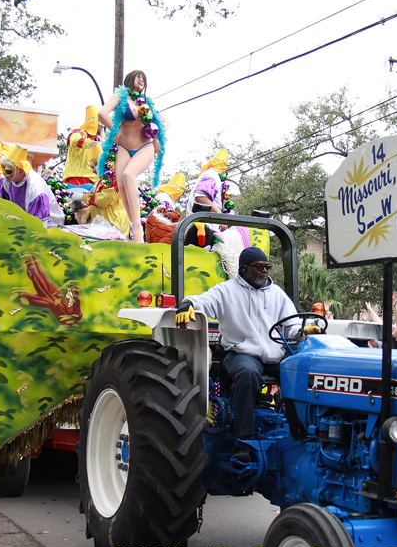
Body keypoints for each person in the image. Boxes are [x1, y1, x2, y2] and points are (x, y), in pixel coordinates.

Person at [175, 246, 299, 463]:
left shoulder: (277, 294)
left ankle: (296, 430)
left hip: (273, 352)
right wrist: (189, 304)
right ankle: (243, 439)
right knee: (247, 373)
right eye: (259, 267)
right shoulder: (227, 291)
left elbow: (292, 325)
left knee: (298, 371)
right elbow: (205, 301)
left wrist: (305, 331)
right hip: (240, 352)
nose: (264, 271)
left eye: (266, 267)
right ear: (244, 269)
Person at [98, 70, 169, 244]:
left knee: (128, 174)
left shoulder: (147, 103)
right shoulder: (120, 97)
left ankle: (137, 229)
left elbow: (165, 122)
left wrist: (156, 136)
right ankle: (134, 227)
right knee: (121, 185)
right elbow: (101, 114)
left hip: (144, 147)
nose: (142, 80)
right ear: (131, 79)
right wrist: (114, 131)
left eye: (144, 78)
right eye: (139, 77)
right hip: (123, 147)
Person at [0, 144, 65, 226]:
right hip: (22, 224)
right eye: (3, 169)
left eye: (9, 171)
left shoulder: (35, 188)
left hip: (48, 225)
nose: (5, 174)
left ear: (21, 170)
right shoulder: (7, 181)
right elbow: (5, 206)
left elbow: (39, 224)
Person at [62, 106, 102, 194]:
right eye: (100, 125)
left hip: (94, 181)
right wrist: (90, 143)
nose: (102, 128)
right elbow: (74, 140)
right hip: (77, 179)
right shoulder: (79, 133)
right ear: (95, 123)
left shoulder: (98, 140)